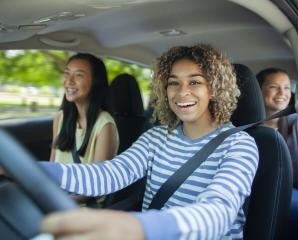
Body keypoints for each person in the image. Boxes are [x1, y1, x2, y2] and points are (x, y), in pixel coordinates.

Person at [37, 44, 259, 239]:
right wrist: (37, 171)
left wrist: (140, 227)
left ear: (214, 89)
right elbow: (108, 174)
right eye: (174, 83)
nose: (182, 92)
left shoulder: (239, 146)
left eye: (195, 82)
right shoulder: (156, 137)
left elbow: (218, 212)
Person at [50, 53, 119, 205]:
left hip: (81, 207)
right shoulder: (60, 118)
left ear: (95, 82)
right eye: (67, 73)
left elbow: (95, 185)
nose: (69, 81)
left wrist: (57, 201)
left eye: (78, 75)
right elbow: (52, 165)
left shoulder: (105, 125)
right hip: (55, 198)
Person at [256, 67, 298, 239]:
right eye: (274, 87)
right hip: (254, 189)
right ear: (258, 91)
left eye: (286, 87)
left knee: (294, 205)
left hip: (291, 191)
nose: (282, 93)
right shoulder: (244, 129)